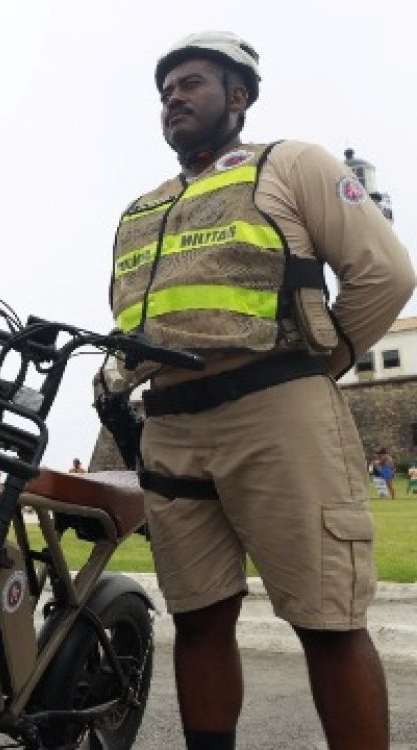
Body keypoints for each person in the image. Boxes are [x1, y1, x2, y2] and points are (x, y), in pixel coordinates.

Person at [110, 31, 413, 750]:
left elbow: (386, 275)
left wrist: (319, 362)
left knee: (326, 618)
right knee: (197, 618)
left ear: (239, 95)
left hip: (278, 413)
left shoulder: (293, 163)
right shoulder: (145, 207)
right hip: (173, 425)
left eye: (191, 83)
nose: (173, 97)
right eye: (165, 91)